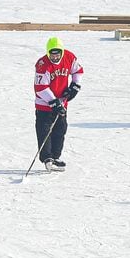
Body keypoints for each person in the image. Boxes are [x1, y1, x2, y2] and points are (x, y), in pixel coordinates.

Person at [34, 37, 83, 172]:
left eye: (57, 54)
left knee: (60, 129)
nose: (55, 57)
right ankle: (47, 158)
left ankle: (56, 157)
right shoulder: (42, 64)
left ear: (62, 52)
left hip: (62, 102)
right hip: (44, 105)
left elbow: (77, 71)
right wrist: (53, 102)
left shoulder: (69, 57)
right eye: (52, 54)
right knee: (44, 131)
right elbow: (40, 87)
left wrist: (74, 86)